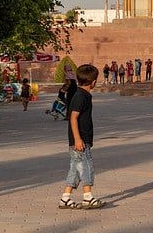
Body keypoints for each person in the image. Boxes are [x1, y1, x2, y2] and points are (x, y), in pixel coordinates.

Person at [57, 64, 105, 210]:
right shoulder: (80, 96)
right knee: (86, 167)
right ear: (94, 82)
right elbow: (73, 118)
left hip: (81, 140)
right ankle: (87, 197)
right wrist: (78, 139)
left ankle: (65, 198)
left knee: (76, 169)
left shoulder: (82, 95)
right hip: (80, 141)